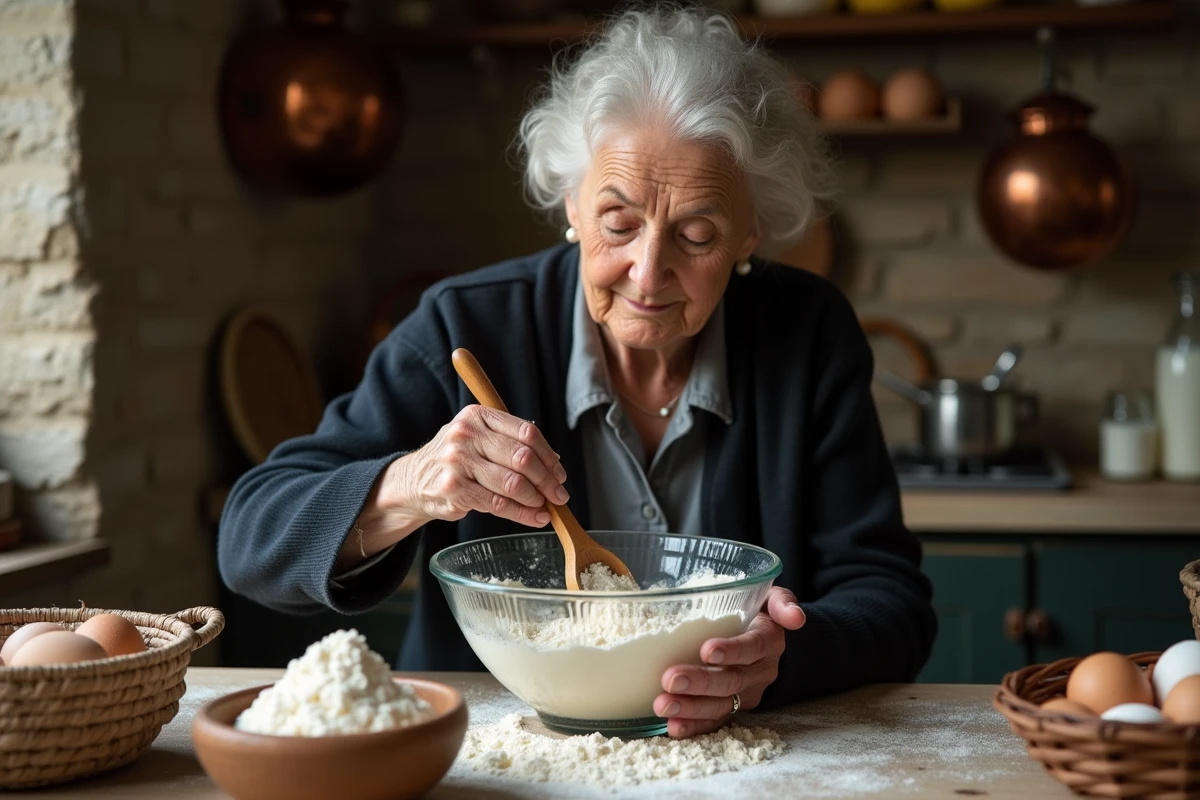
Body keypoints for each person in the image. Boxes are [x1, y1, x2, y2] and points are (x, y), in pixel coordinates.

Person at [218, 6, 936, 739]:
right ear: (572, 204)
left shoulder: (808, 332)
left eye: (696, 234)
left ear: (751, 233)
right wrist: (412, 483)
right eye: (618, 224)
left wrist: (784, 658)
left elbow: (893, 601)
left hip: (737, 758)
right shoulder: (464, 326)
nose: (648, 272)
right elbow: (250, 541)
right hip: (493, 751)